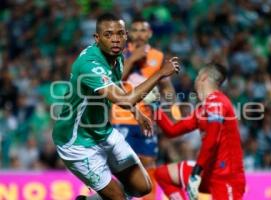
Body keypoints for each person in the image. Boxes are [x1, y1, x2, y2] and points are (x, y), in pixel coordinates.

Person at [52, 13, 180, 200]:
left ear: (125, 36)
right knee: (118, 198)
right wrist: (161, 73)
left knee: (142, 188)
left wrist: (136, 111)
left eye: (120, 34)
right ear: (97, 38)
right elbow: (125, 100)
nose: (115, 39)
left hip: (103, 132)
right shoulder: (90, 64)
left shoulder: (117, 57)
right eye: (108, 34)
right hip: (77, 141)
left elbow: (117, 88)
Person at [110, 16, 180, 199]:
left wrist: (175, 111)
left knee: (149, 161)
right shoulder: (118, 54)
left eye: (143, 30)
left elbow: (166, 86)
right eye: (135, 30)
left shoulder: (158, 56)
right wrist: (132, 59)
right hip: (122, 116)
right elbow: (113, 82)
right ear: (128, 34)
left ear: (149, 34)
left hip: (147, 118)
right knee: (124, 164)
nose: (139, 34)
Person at [154, 63, 245, 200]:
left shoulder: (217, 102)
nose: (195, 81)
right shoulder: (202, 109)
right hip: (207, 173)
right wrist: (154, 107)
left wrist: (196, 171)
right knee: (162, 174)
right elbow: (171, 131)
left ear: (203, 77)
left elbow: (213, 139)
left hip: (226, 177)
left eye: (197, 77)